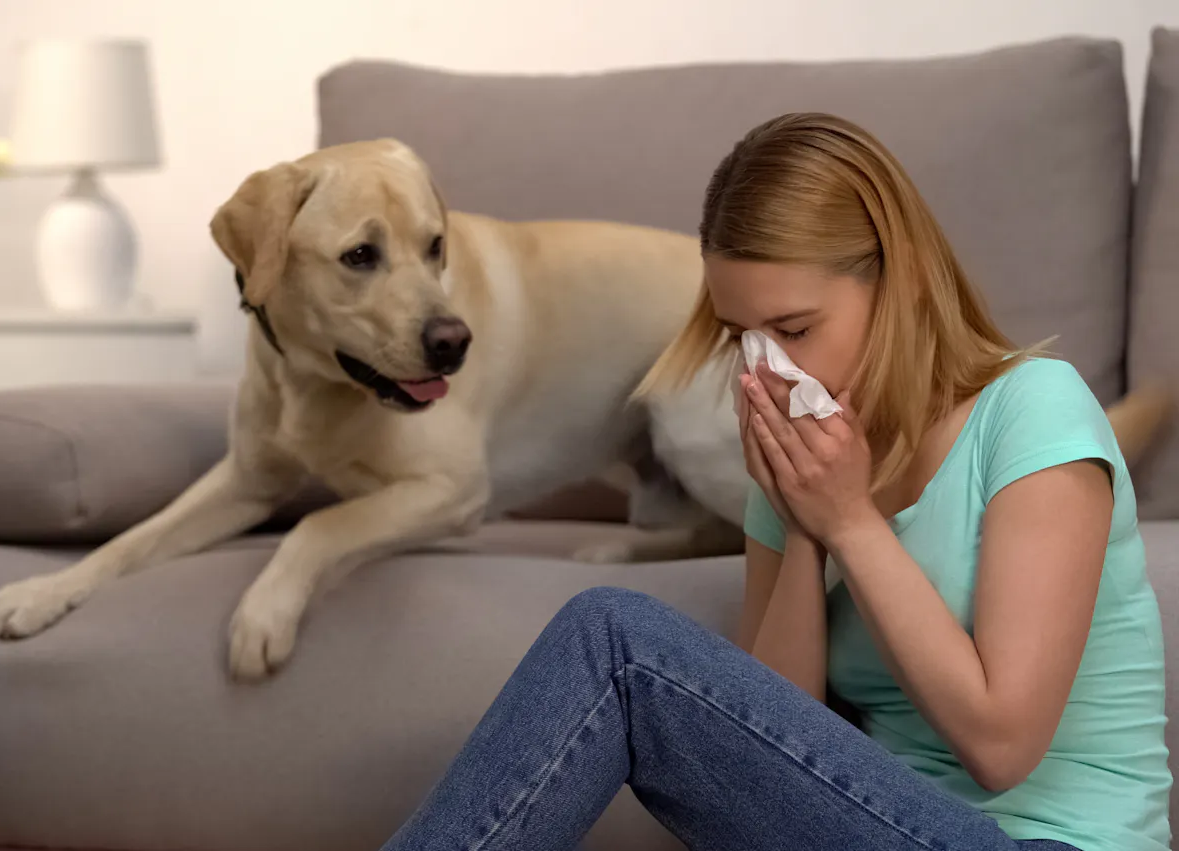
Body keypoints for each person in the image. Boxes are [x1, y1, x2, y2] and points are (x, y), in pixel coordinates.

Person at [380, 113, 1171, 851]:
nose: (771, 369)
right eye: (742, 337)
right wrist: (802, 527)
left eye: (793, 329)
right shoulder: (803, 464)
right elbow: (764, 760)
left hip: (1053, 839)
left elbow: (1002, 745)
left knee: (615, 642)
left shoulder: (1034, 408)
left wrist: (851, 522)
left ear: (903, 281)